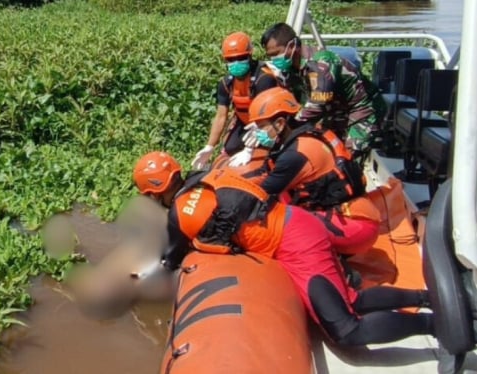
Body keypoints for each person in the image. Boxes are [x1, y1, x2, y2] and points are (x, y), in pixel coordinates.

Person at [132, 151, 434, 348]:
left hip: (296, 245)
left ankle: (433, 323)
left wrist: (138, 284)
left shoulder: (178, 215)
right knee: (350, 298)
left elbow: (169, 261)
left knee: (345, 330)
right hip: (298, 223)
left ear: (153, 193)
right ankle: (426, 297)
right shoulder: (211, 176)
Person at [243, 87, 380, 257]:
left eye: (260, 127)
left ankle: (338, 271)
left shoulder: (295, 155)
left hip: (355, 225)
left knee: (279, 225)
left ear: (279, 124)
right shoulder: (309, 131)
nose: (257, 132)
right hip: (357, 213)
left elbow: (261, 194)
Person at [259, 23, 386, 154]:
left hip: (363, 110)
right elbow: (292, 100)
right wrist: (267, 123)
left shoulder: (321, 63)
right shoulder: (291, 69)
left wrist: (285, 126)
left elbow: (319, 102)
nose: (274, 60)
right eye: (270, 56)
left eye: (276, 54)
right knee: (323, 150)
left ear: (292, 46)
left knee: (347, 158)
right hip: (336, 112)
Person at [191, 31, 279, 170]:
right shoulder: (226, 83)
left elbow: (268, 115)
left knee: (267, 153)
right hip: (243, 122)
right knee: (230, 149)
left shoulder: (264, 78)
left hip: (267, 122)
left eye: (241, 57)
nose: (236, 62)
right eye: (231, 60)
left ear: (250, 55)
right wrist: (209, 147)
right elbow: (221, 116)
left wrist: (249, 149)